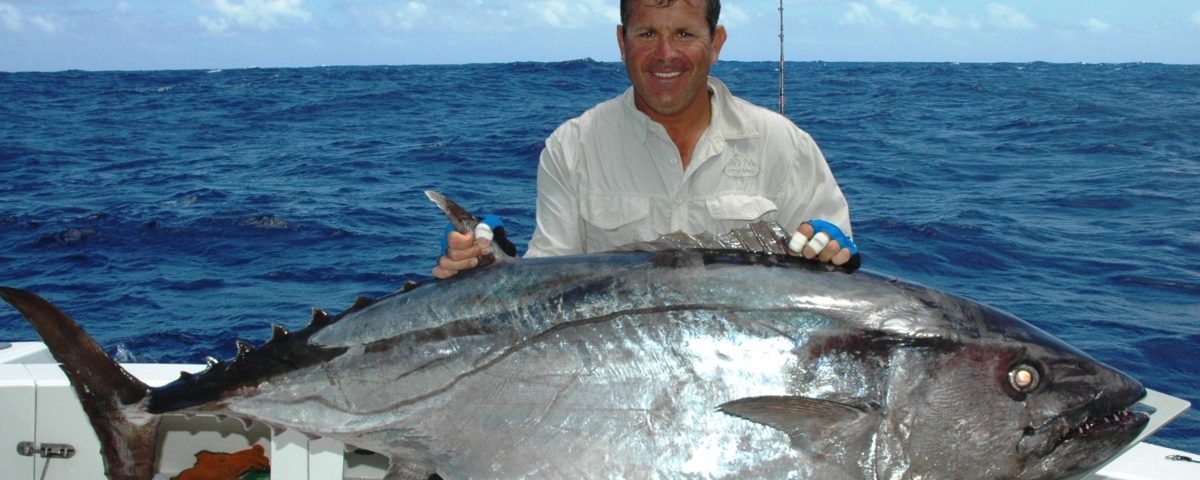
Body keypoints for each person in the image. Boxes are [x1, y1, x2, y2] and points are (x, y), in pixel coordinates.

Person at [433, 0, 854, 279]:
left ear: (716, 43)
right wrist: (491, 266)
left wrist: (836, 255)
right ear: (622, 42)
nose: (665, 53)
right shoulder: (572, 147)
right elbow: (547, 284)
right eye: (647, 34)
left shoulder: (785, 145)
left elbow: (836, 289)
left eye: (685, 34)